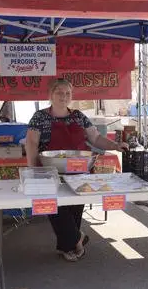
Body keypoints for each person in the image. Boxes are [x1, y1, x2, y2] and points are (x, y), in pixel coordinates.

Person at [25, 78, 127, 262]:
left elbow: (95, 138)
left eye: (68, 93)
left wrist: (115, 145)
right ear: (51, 95)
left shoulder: (78, 116)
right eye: (59, 93)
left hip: (79, 171)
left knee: (74, 209)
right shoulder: (39, 117)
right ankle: (77, 239)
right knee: (56, 209)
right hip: (51, 172)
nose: (64, 97)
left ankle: (67, 247)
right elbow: (31, 142)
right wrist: (32, 169)